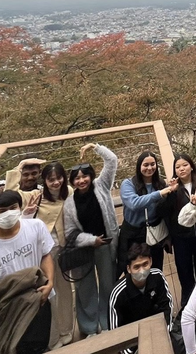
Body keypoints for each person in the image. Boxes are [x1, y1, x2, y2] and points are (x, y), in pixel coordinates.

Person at [0, 190, 55, 354]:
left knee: (41, 345)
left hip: (39, 299)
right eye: (2, 211)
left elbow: (45, 254)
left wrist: (49, 283)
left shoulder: (35, 227)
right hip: (9, 310)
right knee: (14, 348)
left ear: (20, 208)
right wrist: (8, 285)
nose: (9, 213)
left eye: (13, 207)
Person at [7, 160, 75, 348]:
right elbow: (10, 193)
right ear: (44, 180)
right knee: (47, 294)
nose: (55, 182)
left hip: (61, 248)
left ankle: (66, 331)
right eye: (51, 179)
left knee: (65, 292)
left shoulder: (68, 192)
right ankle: (52, 337)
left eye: (59, 178)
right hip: (40, 251)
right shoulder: (35, 196)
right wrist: (19, 166)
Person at [64, 143, 120, 335]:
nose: (81, 181)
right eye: (77, 178)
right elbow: (70, 232)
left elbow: (112, 160)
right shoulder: (69, 203)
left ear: (91, 176)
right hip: (84, 249)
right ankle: (89, 328)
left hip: (106, 245)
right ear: (72, 182)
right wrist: (90, 240)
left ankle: (107, 323)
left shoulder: (102, 186)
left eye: (84, 176)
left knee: (107, 285)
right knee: (85, 289)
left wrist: (94, 146)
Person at [120, 150, 174, 273]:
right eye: (145, 165)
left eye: (153, 164)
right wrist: (159, 194)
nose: (149, 168)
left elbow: (165, 212)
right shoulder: (128, 184)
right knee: (134, 270)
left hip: (154, 235)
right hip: (133, 234)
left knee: (155, 269)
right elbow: (134, 203)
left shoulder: (160, 184)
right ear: (139, 166)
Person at [167, 154, 196, 307]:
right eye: (178, 167)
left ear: (191, 166)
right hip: (181, 236)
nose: (181, 169)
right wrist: (170, 192)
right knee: (184, 270)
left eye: (184, 165)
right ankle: (187, 302)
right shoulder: (173, 188)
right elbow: (166, 212)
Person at [109, 243, 174, 330]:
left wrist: (165, 331)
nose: (142, 271)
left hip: (158, 330)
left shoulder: (158, 277)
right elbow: (114, 331)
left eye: (145, 264)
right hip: (131, 336)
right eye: (136, 267)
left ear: (150, 261)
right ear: (129, 269)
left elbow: (167, 307)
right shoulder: (118, 293)